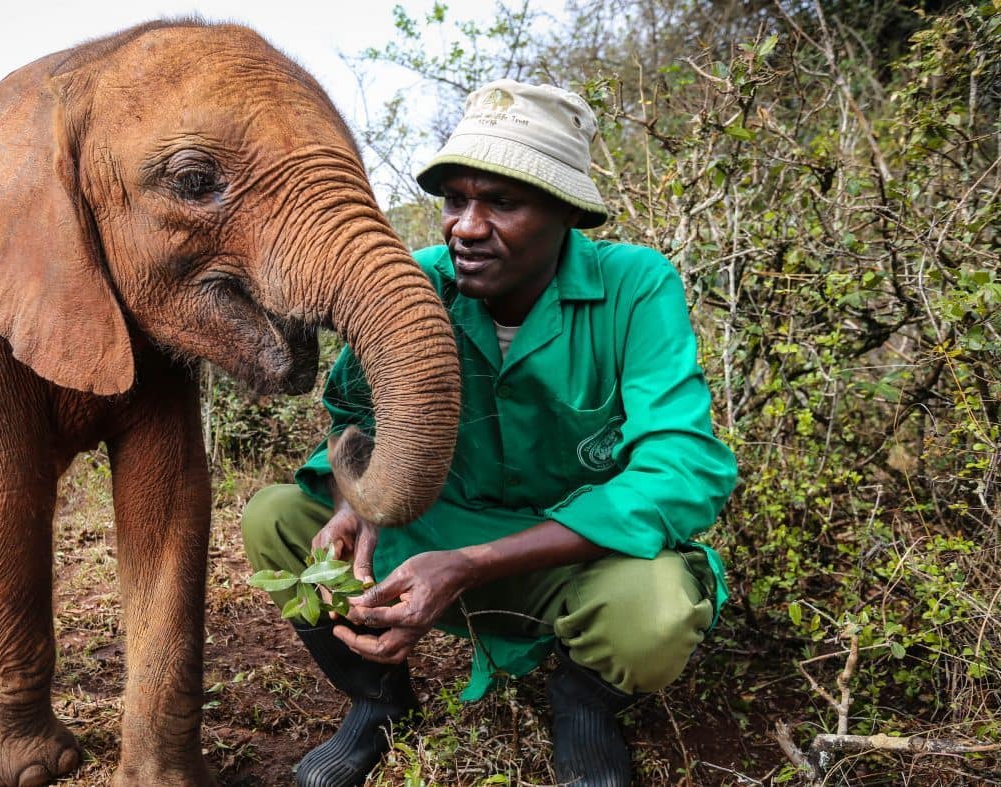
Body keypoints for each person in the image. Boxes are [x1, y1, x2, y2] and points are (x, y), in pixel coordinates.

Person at [241, 79, 737, 787]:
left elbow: (681, 466)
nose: (466, 225)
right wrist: (361, 502)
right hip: (431, 536)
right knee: (279, 519)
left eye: (502, 201)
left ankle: (584, 703)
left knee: (654, 611)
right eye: (456, 200)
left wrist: (472, 562)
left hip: (572, 551)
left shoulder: (635, 287)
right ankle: (377, 700)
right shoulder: (417, 282)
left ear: (566, 210)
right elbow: (352, 414)